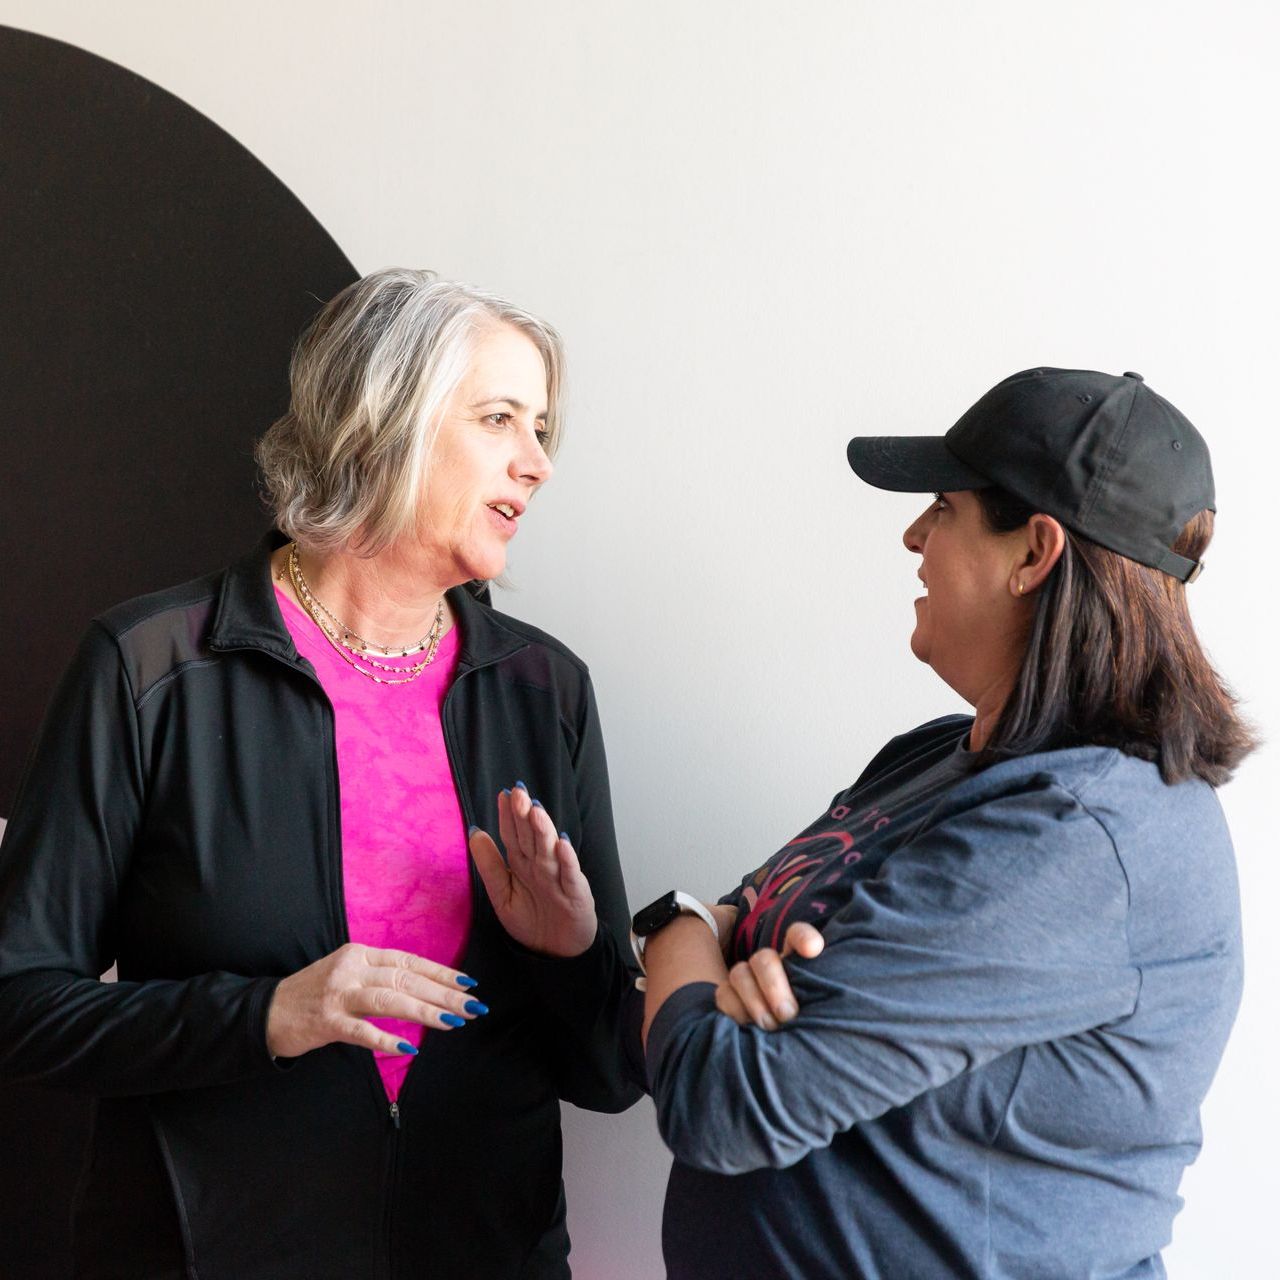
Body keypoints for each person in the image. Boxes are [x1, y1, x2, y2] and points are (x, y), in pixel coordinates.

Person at [484, 366, 1253, 1278]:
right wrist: (628, 954)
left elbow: (722, 1102)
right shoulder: (935, 757)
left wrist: (683, 924)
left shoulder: (1083, 837)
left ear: (1034, 554)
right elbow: (676, 1028)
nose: (913, 534)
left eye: (944, 508)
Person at [0, 268, 639, 1279]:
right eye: (499, 418)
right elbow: (21, 1003)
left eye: (542, 427)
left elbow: (611, 1071)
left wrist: (572, 951)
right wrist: (265, 1013)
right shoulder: (151, 667)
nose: (537, 461)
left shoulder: (541, 687)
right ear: (380, 421)